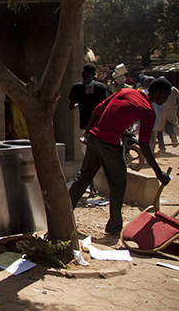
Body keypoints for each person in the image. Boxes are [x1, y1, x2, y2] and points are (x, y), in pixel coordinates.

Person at [70, 77, 173, 236]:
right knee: (118, 183)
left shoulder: (126, 91)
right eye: (166, 96)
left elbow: (98, 109)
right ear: (160, 92)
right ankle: (114, 228)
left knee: (83, 177)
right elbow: (144, 144)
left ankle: (64, 213)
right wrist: (158, 173)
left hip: (95, 138)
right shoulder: (148, 111)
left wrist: (87, 132)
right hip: (109, 143)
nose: (166, 100)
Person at [68, 63, 108, 133]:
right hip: (98, 122)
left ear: (83, 73)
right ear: (94, 74)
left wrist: (78, 104)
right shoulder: (101, 87)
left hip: (85, 122)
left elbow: (71, 106)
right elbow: (106, 105)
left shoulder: (77, 87)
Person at [157, 85, 179, 152]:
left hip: (162, 110)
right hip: (172, 110)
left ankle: (162, 147)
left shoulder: (158, 89)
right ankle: (172, 134)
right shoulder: (173, 89)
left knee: (159, 130)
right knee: (169, 127)